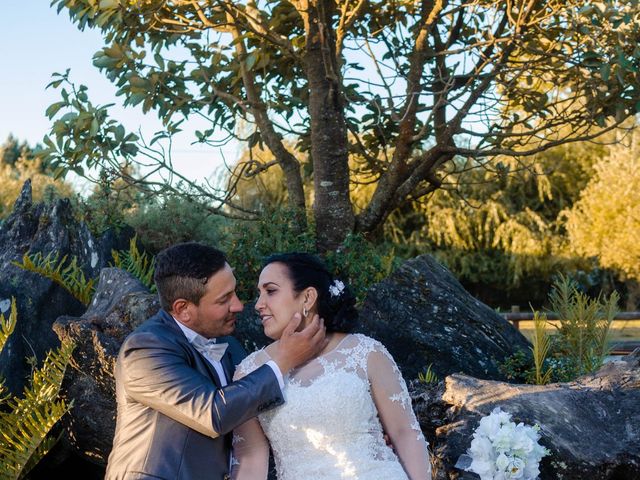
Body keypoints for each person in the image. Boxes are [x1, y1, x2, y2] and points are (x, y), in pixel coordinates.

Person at [105, 243, 326, 480]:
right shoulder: (144, 350)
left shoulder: (230, 345)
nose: (239, 305)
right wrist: (284, 359)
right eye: (224, 300)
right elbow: (212, 413)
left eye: (235, 292)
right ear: (183, 309)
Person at [231, 252, 432, 480]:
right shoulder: (250, 371)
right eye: (259, 294)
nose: (258, 304)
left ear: (307, 298)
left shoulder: (366, 352)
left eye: (271, 291)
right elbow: (250, 457)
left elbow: (405, 433)